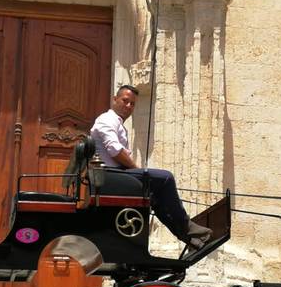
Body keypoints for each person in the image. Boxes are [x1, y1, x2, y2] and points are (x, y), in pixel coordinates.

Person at [90, 85, 212, 250]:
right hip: (110, 177)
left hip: (114, 176)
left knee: (154, 197)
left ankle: (189, 239)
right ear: (114, 99)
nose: (128, 106)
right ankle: (187, 226)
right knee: (166, 178)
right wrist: (137, 169)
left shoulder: (117, 123)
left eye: (132, 104)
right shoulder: (107, 119)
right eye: (125, 101)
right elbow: (115, 151)